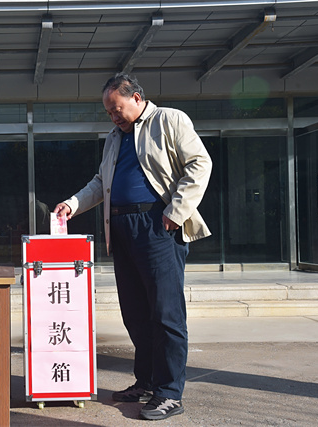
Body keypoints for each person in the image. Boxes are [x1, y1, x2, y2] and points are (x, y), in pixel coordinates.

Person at [54, 74, 212, 421]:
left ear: (137, 98)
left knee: (166, 313)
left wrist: (175, 212)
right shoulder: (115, 138)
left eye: (117, 109)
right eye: (109, 112)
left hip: (157, 224)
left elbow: (200, 164)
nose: (114, 117)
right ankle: (147, 381)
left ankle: (169, 393)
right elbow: (101, 182)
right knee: (136, 314)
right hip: (122, 229)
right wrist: (73, 204)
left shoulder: (169, 119)